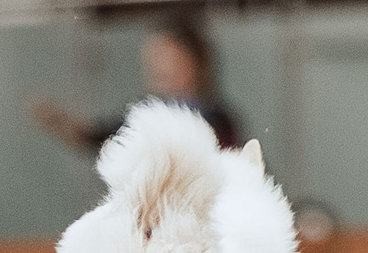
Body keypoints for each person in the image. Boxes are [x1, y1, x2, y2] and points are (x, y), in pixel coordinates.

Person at [31, 18, 243, 154]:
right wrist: (61, 122)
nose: (156, 68)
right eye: (152, 60)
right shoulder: (150, 113)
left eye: (166, 58)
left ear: (192, 62)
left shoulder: (214, 118)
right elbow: (100, 136)